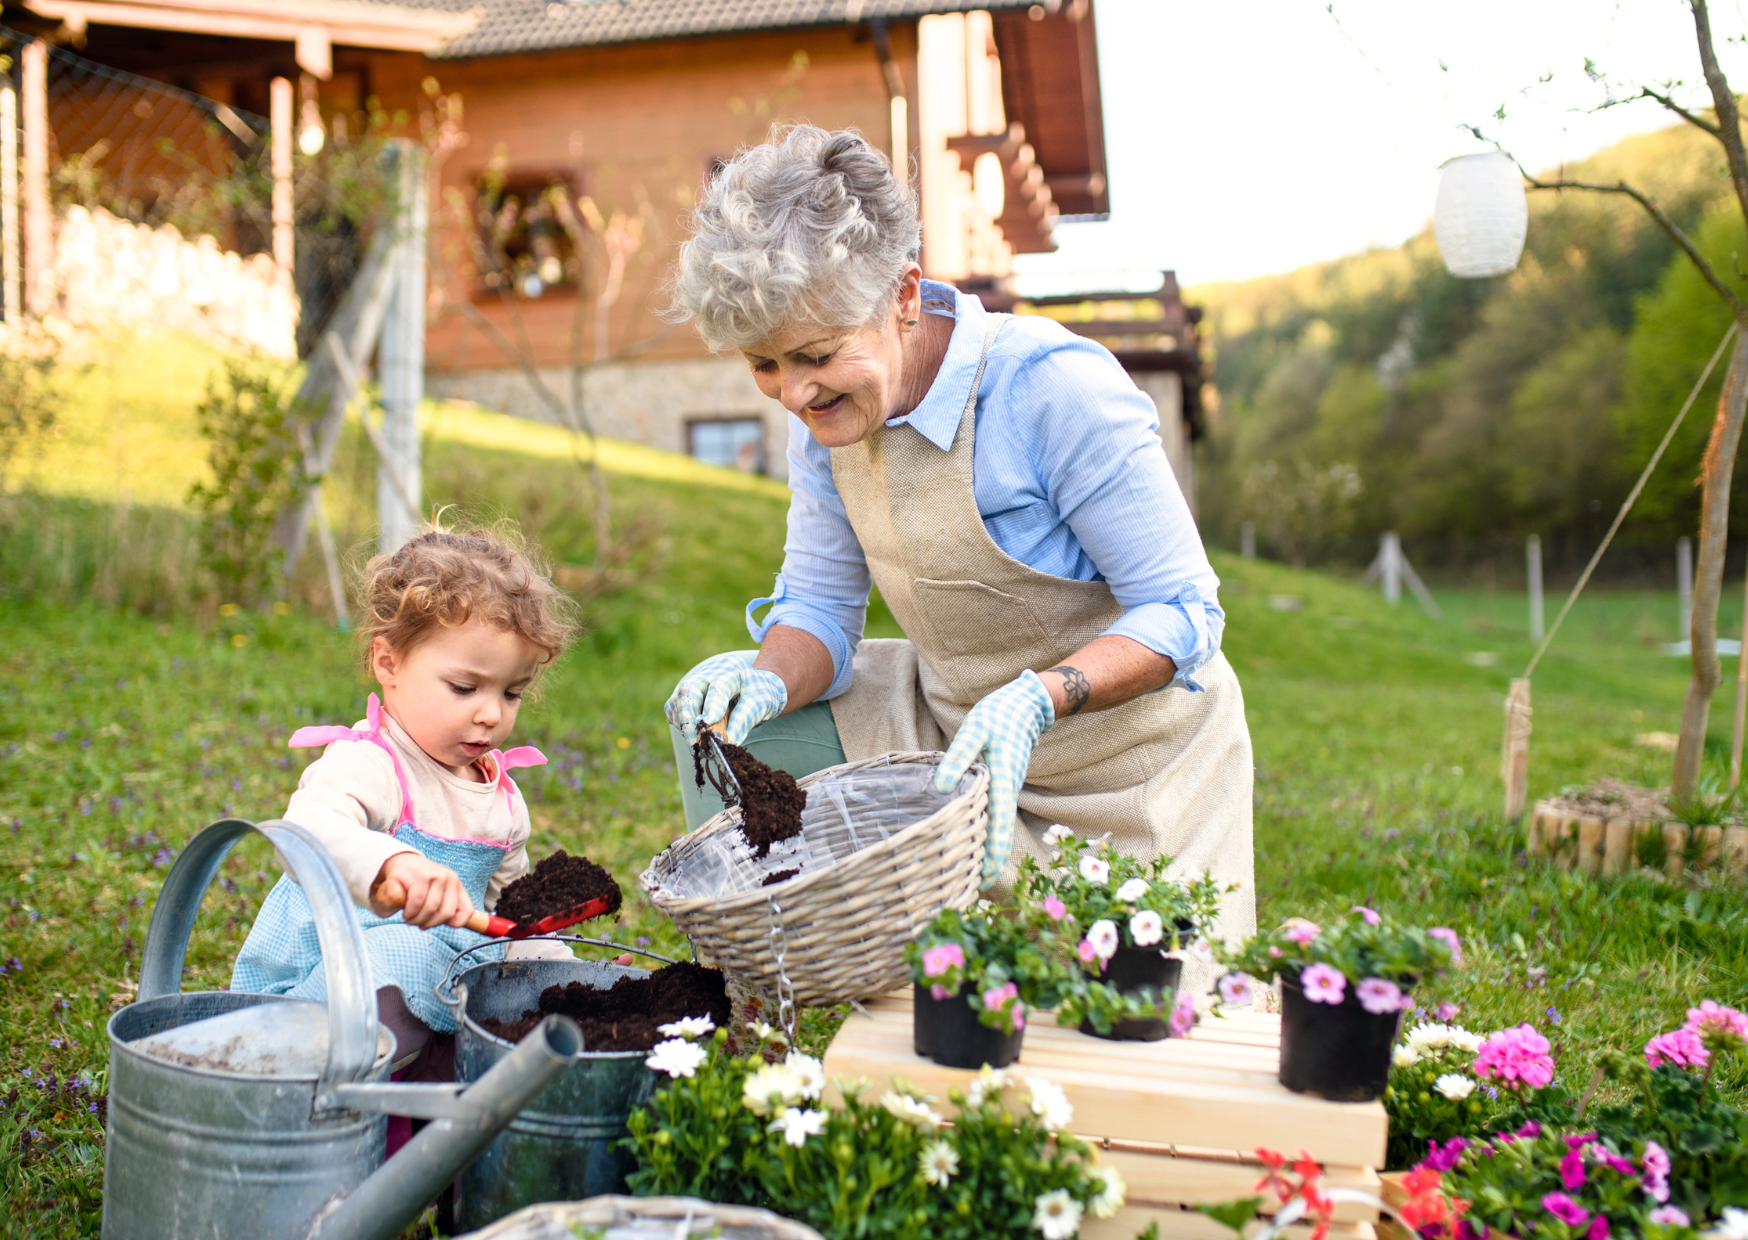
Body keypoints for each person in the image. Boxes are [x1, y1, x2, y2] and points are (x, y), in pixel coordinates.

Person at [662, 125, 1255, 949]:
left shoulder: (1052, 388)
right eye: (763, 365)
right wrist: (766, 683)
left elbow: (1185, 609)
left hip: (1128, 769)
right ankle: (783, 966)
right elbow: (822, 612)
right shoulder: (826, 414)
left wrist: (1040, 696)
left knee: (1126, 1010)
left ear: (904, 296)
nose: (793, 394)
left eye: (815, 355)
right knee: (724, 712)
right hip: (954, 738)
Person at [232, 524, 580, 1117]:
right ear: (388, 662)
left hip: (431, 998)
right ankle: (318, 1114)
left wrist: (562, 976)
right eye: (465, 687)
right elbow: (307, 832)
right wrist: (393, 863)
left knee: (487, 988)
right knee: (410, 954)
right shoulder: (371, 764)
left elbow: (511, 919)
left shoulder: (501, 802)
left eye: (512, 693)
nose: (491, 714)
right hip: (314, 1001)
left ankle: (411, 1124)